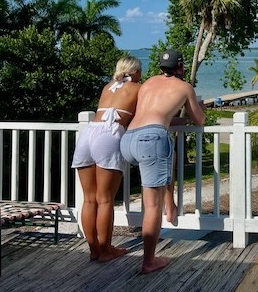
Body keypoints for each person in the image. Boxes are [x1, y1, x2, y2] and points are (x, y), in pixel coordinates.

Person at [120, 49, 205, 274]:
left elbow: (153, 114)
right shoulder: (185, 87)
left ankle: (170, 203)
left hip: (129, 139)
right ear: (181, 67)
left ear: (160, 67)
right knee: (151, 206)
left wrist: (176, 120)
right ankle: (149, 261)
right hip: (151, 140)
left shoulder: (148, 83)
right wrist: (199, 108)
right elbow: (199, 120)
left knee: (168, 158)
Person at [71, 55, 142, 262]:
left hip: (89, 132)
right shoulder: (138, 88)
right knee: (105, 199)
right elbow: (144, 114)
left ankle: (94, 250)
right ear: (136, 72)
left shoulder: (107, 86)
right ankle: (106, 250)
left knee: (89, 198)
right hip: (110, 134)